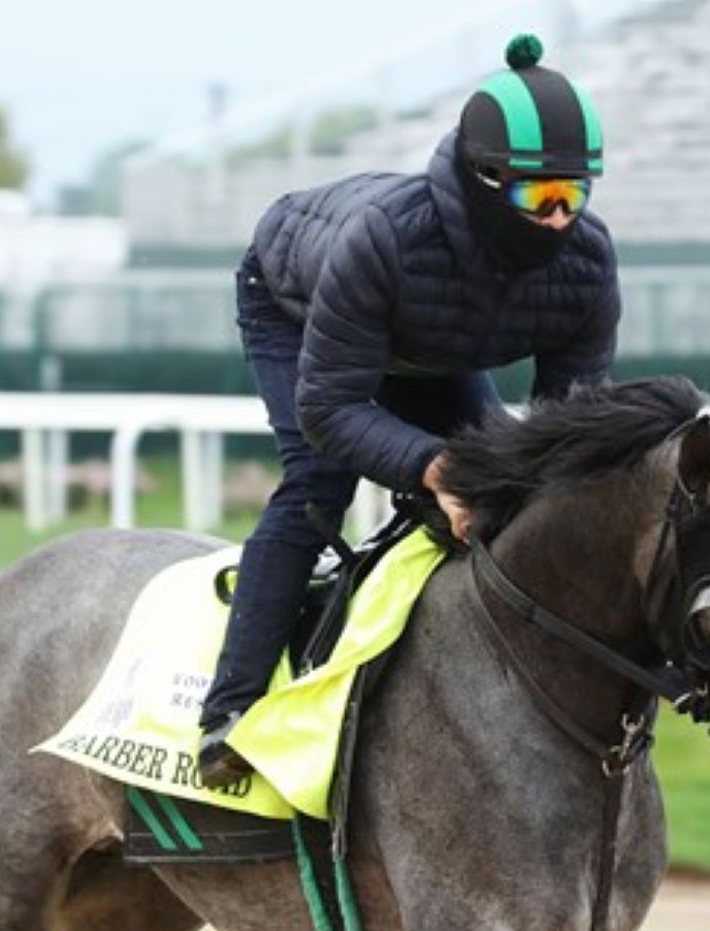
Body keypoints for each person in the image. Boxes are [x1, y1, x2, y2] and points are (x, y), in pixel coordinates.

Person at [198, 33, 622, 787]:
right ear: (487, 181)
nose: (561, 220)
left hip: (427, 339)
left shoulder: (587, 260)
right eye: (541, 197)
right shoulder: (384, 239)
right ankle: (230, 713)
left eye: (575, 194)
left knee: (503, 491)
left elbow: (567, 431)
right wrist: (434, 465)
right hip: (294, 306)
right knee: (317, 486)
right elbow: (331, 407)